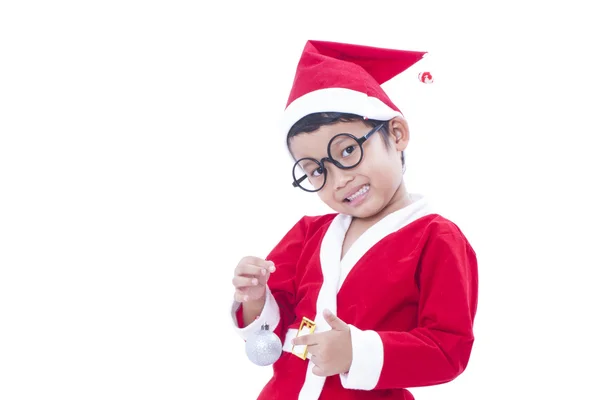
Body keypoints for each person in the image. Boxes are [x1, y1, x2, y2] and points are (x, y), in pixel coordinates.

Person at [229, 40, 478, 400]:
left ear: (396, 133)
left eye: (347, 150)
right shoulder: (307, 234)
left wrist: (355, 353)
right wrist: (254, 298)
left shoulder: (437, 239)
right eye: (316, 170)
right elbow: (273, 325)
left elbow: (448, 349)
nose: (339, 179)